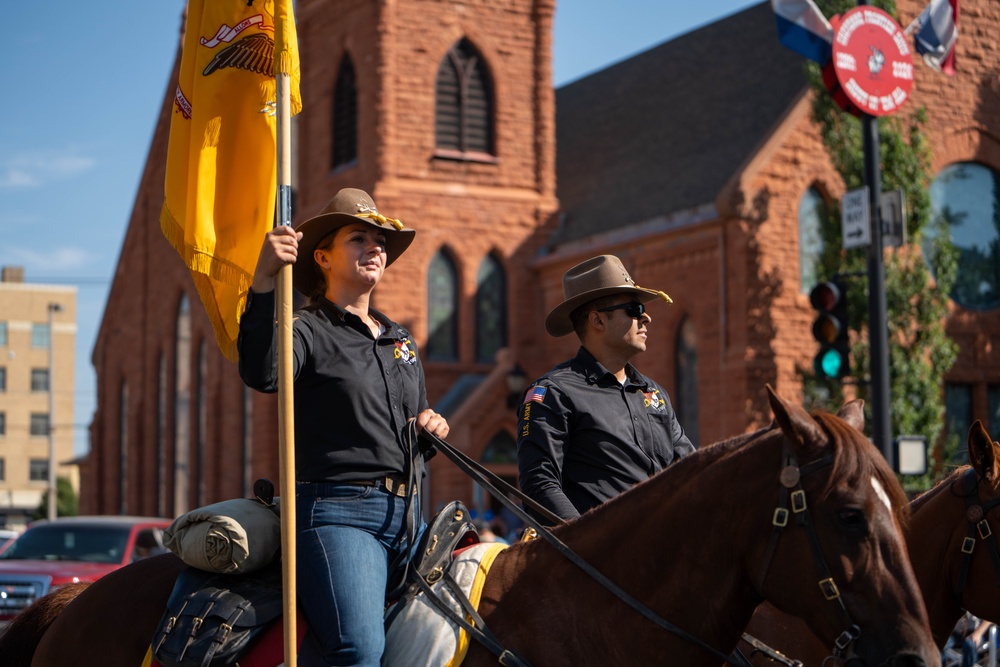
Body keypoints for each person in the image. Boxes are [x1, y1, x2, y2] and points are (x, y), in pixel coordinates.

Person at [238, 188, 449, 667]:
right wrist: (265, 279)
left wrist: (430, 428)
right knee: (359, 650)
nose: (374, 247)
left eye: (379, 240)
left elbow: (413, 424)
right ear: (323, 257)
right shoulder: (307, 328)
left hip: (410, 515)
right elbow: (263, 372)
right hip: (338, 513)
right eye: (358, 238)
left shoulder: (400, 340)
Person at [516, 254, 694, 524]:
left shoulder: (654, 392)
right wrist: (584, 546)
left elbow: (689, 469)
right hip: (596, 560)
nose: (645, 318)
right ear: (597, 321)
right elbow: (540, 485)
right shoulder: (552, 393)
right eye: (633, 309)